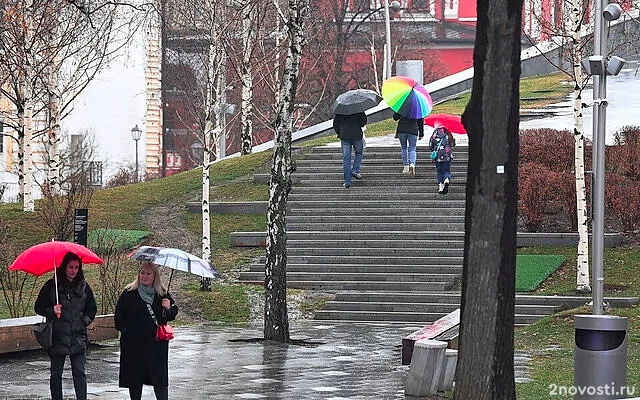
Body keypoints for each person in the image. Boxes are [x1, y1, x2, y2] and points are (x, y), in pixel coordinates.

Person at [34, 252, 97, 400]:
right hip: (57, 336)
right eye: (70, 267)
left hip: (77, 335)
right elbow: (38, 307)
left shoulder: (84, 286)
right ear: (64, 267)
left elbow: (92, 308)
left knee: (79, 372)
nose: (73, 271)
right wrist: (51, 310)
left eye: (76, 267)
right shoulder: (52, 285)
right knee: (56, 374)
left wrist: (84, 321)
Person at [115, 261, 178, 400]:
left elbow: (171, 315)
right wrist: (126, 332)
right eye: (142, 273)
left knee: (159, 380)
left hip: (156, 346)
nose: (145, 276)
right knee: (135, 379)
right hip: (134, 346)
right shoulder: (129, 292)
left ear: (155, 276)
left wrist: (168, 307)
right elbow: (119, 317)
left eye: (148, 273)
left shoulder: (162, 293)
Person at [333, 111, 367, 188]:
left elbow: (335, 124)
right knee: (358, 153)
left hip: (344, 136)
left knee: (346, 159)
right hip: (357, 136)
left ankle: (347, 181)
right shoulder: (358, 109)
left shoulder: (340, 111)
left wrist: (340, 133)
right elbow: (363, 122)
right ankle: (355, 170)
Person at [429, 124, 455, 194]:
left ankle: (441, 186)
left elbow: (431, 144)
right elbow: (452, 144)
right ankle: (446, 180)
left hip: (438, 155)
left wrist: (433, 149)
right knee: (446, 171)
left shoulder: (435, 133)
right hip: (447, 155)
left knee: (439, 171)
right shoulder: (448, 133)